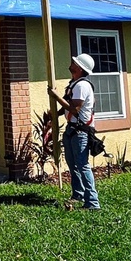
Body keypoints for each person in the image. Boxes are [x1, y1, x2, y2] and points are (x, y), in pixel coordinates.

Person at [48, 53, 101, 210]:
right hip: (72, 130)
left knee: (82, 165)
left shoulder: (82, 86)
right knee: (73, 165)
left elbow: (75, 109)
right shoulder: (74, 84)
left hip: (80, 132)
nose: (71, 63)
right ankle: (78, 194)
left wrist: (55, 96)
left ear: (80, 68)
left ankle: (92, 202)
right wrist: (56, 114)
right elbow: (68, 105)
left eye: (74, 62)